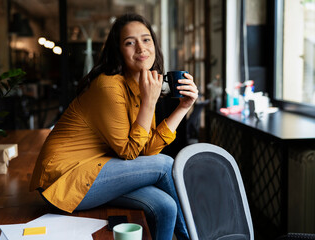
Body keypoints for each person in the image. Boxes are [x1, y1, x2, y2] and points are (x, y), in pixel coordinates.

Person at [30, 13, 198, 240]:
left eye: (146, 39)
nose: (141, 48)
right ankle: (194, 237)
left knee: (166, 206)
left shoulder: (141, 87)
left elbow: (146, 150)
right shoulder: (109, 87)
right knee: (166, 164)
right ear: (118, 51)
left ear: (155, 46)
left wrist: (183, 107)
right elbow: (130, 153)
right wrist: (150, 102)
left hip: (99, 171)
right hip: (65, 179)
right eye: (130, 42)